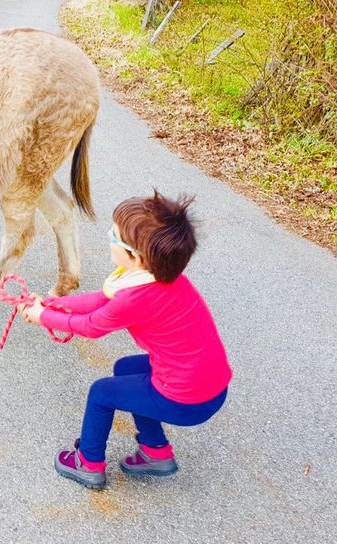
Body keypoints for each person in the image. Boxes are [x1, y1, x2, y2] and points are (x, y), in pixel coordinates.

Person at [19, 191, 231, 489]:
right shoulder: (160, 276)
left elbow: (92, 326)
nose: (108, 237)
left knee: (102, 392)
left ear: (137, 256)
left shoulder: (139, 295)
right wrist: (50, 306)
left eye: (114, 236)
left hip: (187, 398)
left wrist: (42, 317)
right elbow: (99, 299)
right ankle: (156, 451)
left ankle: (88, 463)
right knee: (126, 369)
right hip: (208, 385)